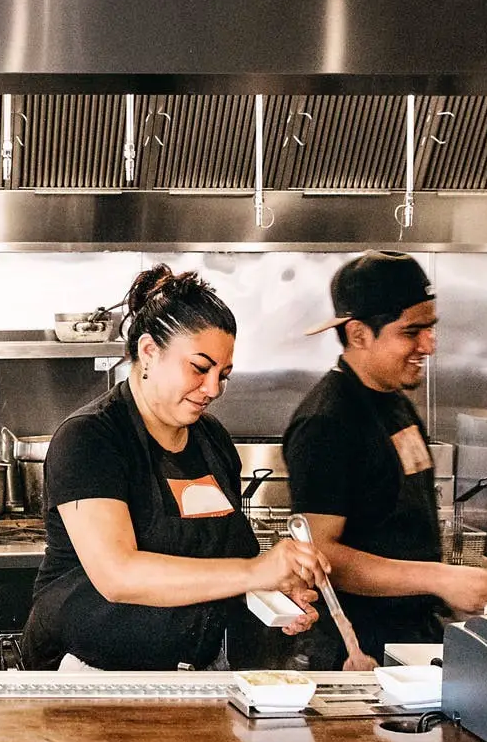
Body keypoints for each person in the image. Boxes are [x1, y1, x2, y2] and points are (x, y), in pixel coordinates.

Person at [18, 265, 327, 672]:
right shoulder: (91, 438)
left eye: (224, 375)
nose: (213, 389)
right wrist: (256, 571)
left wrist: (274, 595)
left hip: (194, 673)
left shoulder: (212, 439)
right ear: (149, 352)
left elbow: (228, 564)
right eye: (199, 368)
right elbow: (119, 575)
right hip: (92, 677)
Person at [282, 250, 487, 669]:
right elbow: (319, 554)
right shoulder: (327, 421)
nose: (429, 344)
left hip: (410, 635)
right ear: (358, 335)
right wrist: (441, 580)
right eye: (412, 331)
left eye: (430, 327)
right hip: (355, 649)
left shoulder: (393, 402)